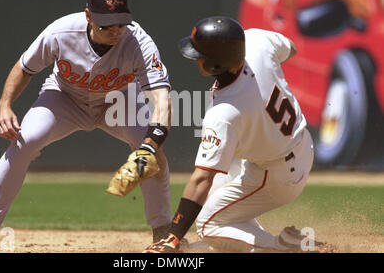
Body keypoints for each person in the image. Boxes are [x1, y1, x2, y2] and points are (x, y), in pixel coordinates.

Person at [0, 0, 173, 253]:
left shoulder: (139, 42)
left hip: (119, 102)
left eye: (121, 22)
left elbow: (162, 99)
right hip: (65, 98)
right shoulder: (62, 31)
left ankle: (164, 236)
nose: (115, 30)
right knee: (24, 142)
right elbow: (24, 67)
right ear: (88, 16)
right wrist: (4, 105)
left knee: (152, 155)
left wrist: (152, 143)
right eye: (107, 24)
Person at [144, 16, 337, 253]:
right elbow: (291, 48)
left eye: (200, 56)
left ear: (215, 64)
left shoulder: (224, 113)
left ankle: (289, 247)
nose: (195, 60)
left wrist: (172, 237)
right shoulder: (256, 41)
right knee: (217, 199)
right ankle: (254, 240)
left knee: (208, 224)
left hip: (276, 175)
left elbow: (201, 178)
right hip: (299, 146)